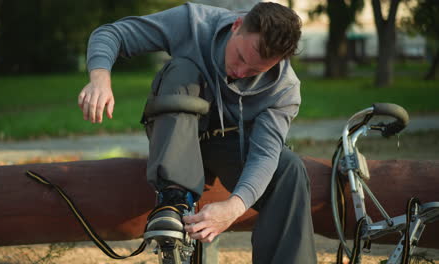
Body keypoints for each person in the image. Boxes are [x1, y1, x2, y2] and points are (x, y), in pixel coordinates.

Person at [78, 2, 317, 263]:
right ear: (237, 25)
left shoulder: (285, 89)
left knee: (289, 168)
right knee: (182, 69)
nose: (240, 72)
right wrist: (100, 79)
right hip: (177, 131)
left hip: (230, 146)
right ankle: (173, 199)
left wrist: (232, 208)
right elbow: (112, 34)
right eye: (240, 57)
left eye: (255, 71)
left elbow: (265, 154)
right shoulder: (194, 22)